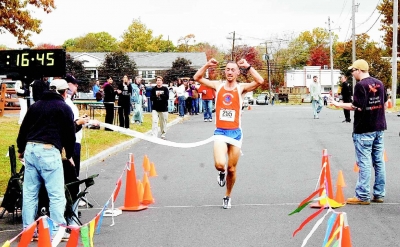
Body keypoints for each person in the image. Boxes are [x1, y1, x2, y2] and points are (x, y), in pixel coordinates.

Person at [193, 58, 264, 209]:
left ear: (238, 72)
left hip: (236, 133)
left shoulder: (241, 88)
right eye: (227, 69)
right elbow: (197, 78)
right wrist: (206, 65)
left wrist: (248, 67)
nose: (230, 72)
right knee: (220, 164)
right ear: (224, 72)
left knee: (231, 169)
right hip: (220, 131)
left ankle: (227, 196)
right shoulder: (218, 85)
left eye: (233, 70)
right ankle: (220, 172)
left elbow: (260, 80)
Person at [17, 79, 76, 239]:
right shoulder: (64, 107)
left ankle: (28, 231)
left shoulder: (35, 105)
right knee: (56, 193)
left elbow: (23, 129)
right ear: (64, 92)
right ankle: (57, 231)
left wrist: (21, 149)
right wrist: (69, 155)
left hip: (31, 148)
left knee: (30, 193)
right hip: (49, 150)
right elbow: (69, 135)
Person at [329, 59, 387, 205]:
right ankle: (379, 194)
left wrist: (337, 104)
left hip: (364, 128)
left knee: (364, 161)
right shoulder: (379, 83)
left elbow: (356, 106)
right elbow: (384, 102)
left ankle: (362, 195)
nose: (352, 73)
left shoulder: (361, 85)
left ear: (359, 70)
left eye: (353, 70)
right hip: (379, 126)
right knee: (379, 161)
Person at [65, 74, 89, 177]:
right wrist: (79, 122)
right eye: (75, 84)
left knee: (74, 173)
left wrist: (81, 120)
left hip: (75, 142)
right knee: (72, 175)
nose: (77, 87)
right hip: (71, 144)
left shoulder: (69, 102)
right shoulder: (66, 103)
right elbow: (67, 127)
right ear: (68, 85)